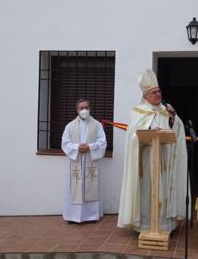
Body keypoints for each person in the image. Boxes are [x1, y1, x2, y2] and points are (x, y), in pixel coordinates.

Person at [118, 68, 187, 233]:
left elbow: (176, 130)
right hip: (146, 161)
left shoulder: (166, 110)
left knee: (163, 191)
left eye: (159, 91)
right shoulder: (138, 112)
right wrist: (150, 129)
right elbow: (134, 135)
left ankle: (164, 225)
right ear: (145, 96)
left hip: (164, 159)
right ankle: (146, 225)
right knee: (148, 193)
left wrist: (172, 118)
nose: (158, 95)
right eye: (154, 92)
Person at [61, 99, 107, 224]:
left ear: (90, 108)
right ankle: (73, 216)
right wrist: (77, 147)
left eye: (86, 107)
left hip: (90, 159)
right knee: (75, 186)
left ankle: (91, 215)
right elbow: (65, 143)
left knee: (90, 185)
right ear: (77, 110)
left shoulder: (97, 125)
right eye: (81, 108)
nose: (84, 110)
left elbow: (102, 141)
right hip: (76, 160)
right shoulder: (70, 126)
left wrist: (90, 147)